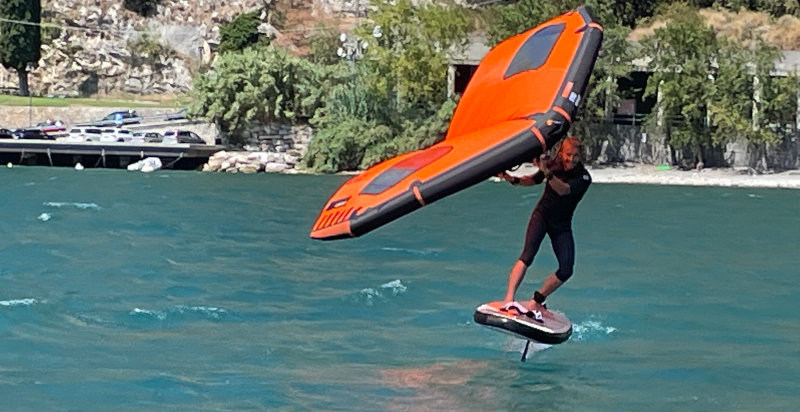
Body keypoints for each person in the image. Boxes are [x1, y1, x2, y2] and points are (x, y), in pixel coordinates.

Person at [498, 136, 591, 321]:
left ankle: (537, 300)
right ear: (561, 153)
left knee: (566, 269)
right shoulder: (554, 164)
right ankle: (508, 300)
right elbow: (534, 180)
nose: (571, 160)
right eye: (568, 154)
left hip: (561, 226)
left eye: (576, 156)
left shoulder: (584, 177)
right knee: (527, 256)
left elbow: (563, 190)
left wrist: (546, 170)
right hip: (542, 216)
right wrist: (512, 179)